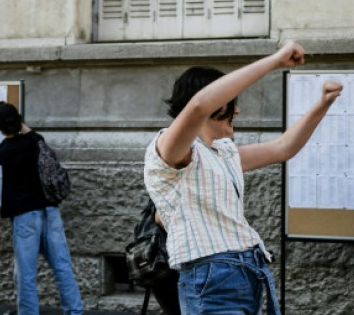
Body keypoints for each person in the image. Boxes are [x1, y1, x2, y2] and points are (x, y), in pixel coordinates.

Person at [145, 41, 342, 315]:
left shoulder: (222, 153)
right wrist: (275, 60)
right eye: (231, 103)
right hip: (211, 276)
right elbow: (200, 105)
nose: (236, 111)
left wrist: (323, 103)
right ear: (215, 104)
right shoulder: (170, 147)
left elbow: (284, 147)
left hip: (246, 271)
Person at [0, 102, 84, 315]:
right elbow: (32, 133)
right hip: (50, 211)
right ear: (19, 120)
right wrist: (17, 119)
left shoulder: (4, 150)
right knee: (62, 266)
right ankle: (75, 312)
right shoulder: (35, 140)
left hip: (25, 216)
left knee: (26, 273)